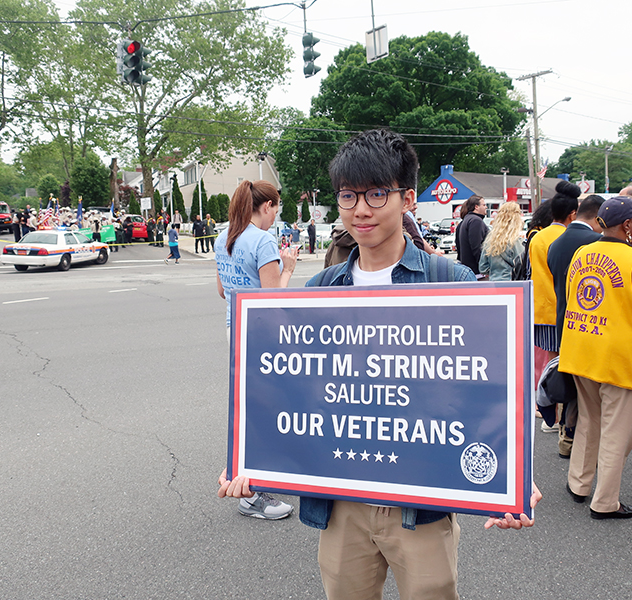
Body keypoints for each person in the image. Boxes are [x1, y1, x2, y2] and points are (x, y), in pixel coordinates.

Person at [218, 129, 540, 600]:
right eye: (348, 195)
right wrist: (249, 457)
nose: (360, 209)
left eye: (376, 194)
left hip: (422, 503)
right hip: (342, 504)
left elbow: (489, 387)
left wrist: (514, 476)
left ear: (408, 197)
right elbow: (293, 388)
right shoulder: (322, 290)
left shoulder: (450, 281)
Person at [559, 197, 632, 520]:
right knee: (618, 432)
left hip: (583, 350)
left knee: (589, 422)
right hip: (620, 357)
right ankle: (606, 501)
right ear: (627, 226)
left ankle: (579, 484)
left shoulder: (584, 252)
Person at [214, 180, 298, 520]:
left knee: (254, 407)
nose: (277, 213)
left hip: (236, 330)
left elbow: (223, 291)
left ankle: (258, 483)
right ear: (265, 206)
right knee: (264, 410)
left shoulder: (224, 238)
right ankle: (253, 494)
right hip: (264, 335)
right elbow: (271, 299)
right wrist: (288, 269)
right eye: (276, 206)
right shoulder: (263, 241)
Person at [546, 194, 605, 457]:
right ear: (598, 216)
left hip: (562, 321)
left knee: (569, 383)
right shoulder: (596, 242)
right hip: (590, 325)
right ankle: (579, 441)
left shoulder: (555, 244)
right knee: (589, 392)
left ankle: (566, 437)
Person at [528, 180, 579, 390]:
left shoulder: (537, 238)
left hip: (543, 308)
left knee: (550, 364)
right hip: (566, 309)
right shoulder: (569, 238)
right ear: (572, 214)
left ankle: (548, 412)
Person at [478, 201, 525, 281]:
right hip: (513, 285)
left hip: (494, 284)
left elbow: (483, 268)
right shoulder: (516, 241)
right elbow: (521, 265)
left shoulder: (490, 241)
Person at [455, 195, 488, 274]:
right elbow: (477, 247)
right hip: (476, 271)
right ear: (476, 207)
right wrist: (484, 268)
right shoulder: (475, 221)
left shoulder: (467, 220)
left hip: (468, 269)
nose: (486, 207)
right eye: (483, 205)